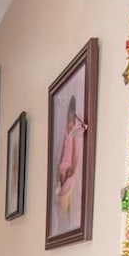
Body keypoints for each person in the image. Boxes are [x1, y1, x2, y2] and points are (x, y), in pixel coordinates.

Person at [54, 95, 82, 228]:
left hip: (69, 170)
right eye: (68, 119)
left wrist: (71, 168)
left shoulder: (74, 136)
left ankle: (68, 220)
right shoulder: (65, 135)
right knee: (59, 191)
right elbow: (61, 156)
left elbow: (74, 156)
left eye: (73, 120)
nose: (70, 124)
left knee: (67, 189)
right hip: (62, 169)